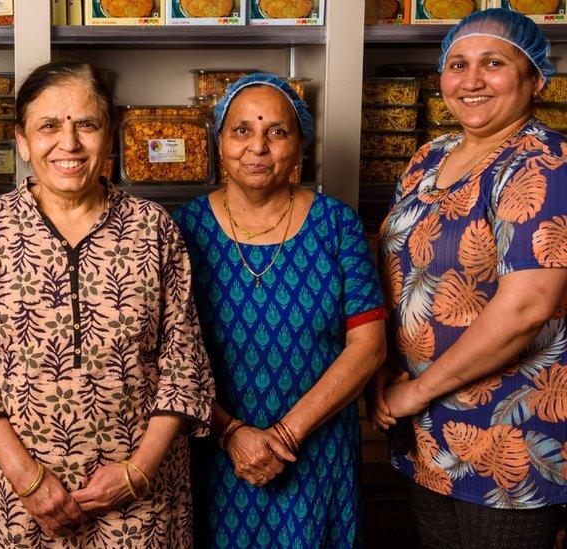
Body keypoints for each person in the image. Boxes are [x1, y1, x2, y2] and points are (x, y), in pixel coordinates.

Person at [0, 60, 215, 548]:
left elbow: (184, 368)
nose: (68, 144)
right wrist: (28, 479)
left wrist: (137, 472)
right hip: (10, 498)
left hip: (138, 502)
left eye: (86, 125)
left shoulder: (153, 228)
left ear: (109, 138)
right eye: (48, 126)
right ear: (23, 141)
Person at [370, 9, 567, 548]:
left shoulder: (543, 163)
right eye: (457, 64)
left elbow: (527, 308)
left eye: (494, 64)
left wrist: (416, 393)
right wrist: (386, 371)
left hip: (506, 443)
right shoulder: (430, 156)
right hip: (430, 437)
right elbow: (400, 273)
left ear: (536, 79)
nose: (471, 80)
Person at [172, 73, 387, 548]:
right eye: (241, 130)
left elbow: (369, 346)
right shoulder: (180, 231)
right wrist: (232, 434)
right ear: (219, 142)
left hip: (317, 449)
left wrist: (286, 435)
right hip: (218, 452)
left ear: (301, 146)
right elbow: (166, 359)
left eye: (277, 131)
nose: (258, 147)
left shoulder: (337, 225)